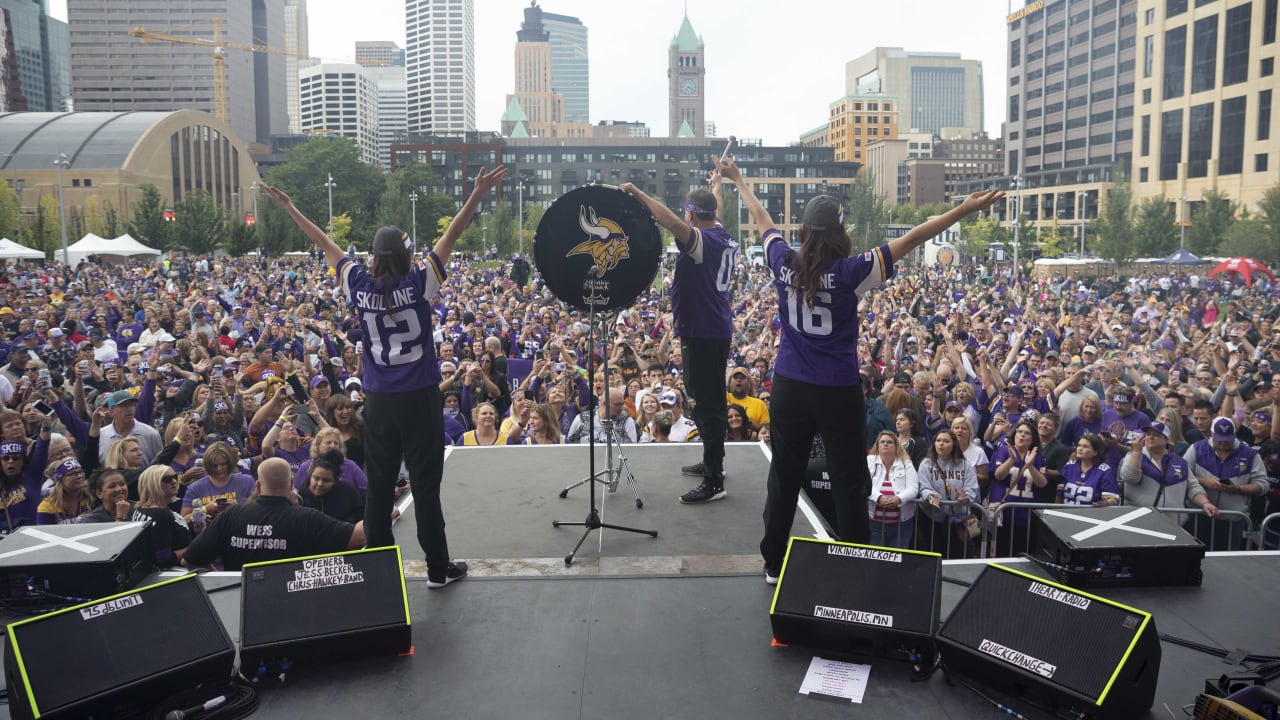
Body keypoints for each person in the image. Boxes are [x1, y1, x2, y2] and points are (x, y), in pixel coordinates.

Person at [721, 151, 1002, 583]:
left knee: (784, 476)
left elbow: (762, 220)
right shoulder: (854, 270)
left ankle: (774, 563)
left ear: (805, 231)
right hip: (836, 389)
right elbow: (914, 238)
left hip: (790, 386)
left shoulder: (783, 263)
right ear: (838, 232)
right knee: (851, 480)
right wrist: (963, 209)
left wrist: (739, 180)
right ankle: (854, 563)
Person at [263, 166, 505, 589]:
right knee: (426, 489)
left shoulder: (357, 283)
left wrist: (290, 208)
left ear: (372, 256)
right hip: (420, 399)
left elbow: (324, 241)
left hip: (378, 401)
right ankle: (437, 569)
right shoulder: (420, 281)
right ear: (409, 254)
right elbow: (454, 234)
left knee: (377, 488)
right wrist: (477, 193)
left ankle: (377, 571)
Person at [621, 167, 736, 504]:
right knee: (708, 401)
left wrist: (640, 195)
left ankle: (715, 479)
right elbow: (714, 212)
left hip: (702, 333)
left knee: (707, 405)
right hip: (711, 329)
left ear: (690, 214)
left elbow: (671, 223)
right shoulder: (723, 234)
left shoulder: (701, 244)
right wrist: (718, 185)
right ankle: (713, 461)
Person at [182, 457, 365, 571]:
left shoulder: (231, 516)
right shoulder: (307, 518)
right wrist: (382, 510)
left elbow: (190, 560)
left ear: (259, 486)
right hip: (293, 608)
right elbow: (358, 537)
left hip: (241, 605)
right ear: (291, 482)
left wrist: (224, 580)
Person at [1184, 417, 1268, 551]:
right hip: (1199, 515)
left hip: (1233, 519)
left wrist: (1237, 488)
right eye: (1220, 440)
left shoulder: (1249, 454)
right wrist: (1205, 481)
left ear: (1234, 435)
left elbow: (1263, 485)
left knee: (1228, 560)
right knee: (1195, 556)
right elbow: (1184, 475)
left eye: (1227, 440)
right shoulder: (1196, 448)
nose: (1223, 444)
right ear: (1212, 434)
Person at [1120, 422, 1216, 518]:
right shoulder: (1133, 456)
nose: (1150, 437)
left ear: (1166, 439)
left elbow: (1193, 487)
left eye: (1156, 435)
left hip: (1173, 524)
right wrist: (1136, 452)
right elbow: (1130, 478)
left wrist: (1205, 503)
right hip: (1141, 521)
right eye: (1148, 434)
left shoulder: (1179, 462)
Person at [916, 428, 980, 559]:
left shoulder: (964, 465)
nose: (941, 444)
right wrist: (930, 496)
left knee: (959, 557)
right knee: (935, 557)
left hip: (959, 520)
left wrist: (965, 496)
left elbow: (972, 487)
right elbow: (924, 487)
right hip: (933, 519)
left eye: (946, 441)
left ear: (953, 444)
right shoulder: (926, 464)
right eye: (938, 440)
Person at [866, 431, 919, 549]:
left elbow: (914, 488)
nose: (885, 444)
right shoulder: (870, 461)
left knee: (897, 561)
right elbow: (866, 484)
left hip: (902, 525)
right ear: (878, 446)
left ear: (896, 446)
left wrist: (898, 499)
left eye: (889, 442)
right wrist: (879, 498)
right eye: (882, 442)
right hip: (875, 524)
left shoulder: (906, 463)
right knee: (876, 560)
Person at [298, 449, 365, 523]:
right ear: (310, 476)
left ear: (336, 480)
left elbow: (360, 513)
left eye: (326, 480)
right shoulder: (299, 496)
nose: (320, 484)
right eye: (316, 478)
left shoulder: (348, 492)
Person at [1058, 434, 1119, 506]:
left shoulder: (1105, 471)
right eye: (1079, 445)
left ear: (1095, 452)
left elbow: (1113, 500)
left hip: (1091, 515)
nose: (1080, 449)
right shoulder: (1069, 466)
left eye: (1085, 446)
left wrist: (1104, 503)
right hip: (1066, 514)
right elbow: (1059, 495)